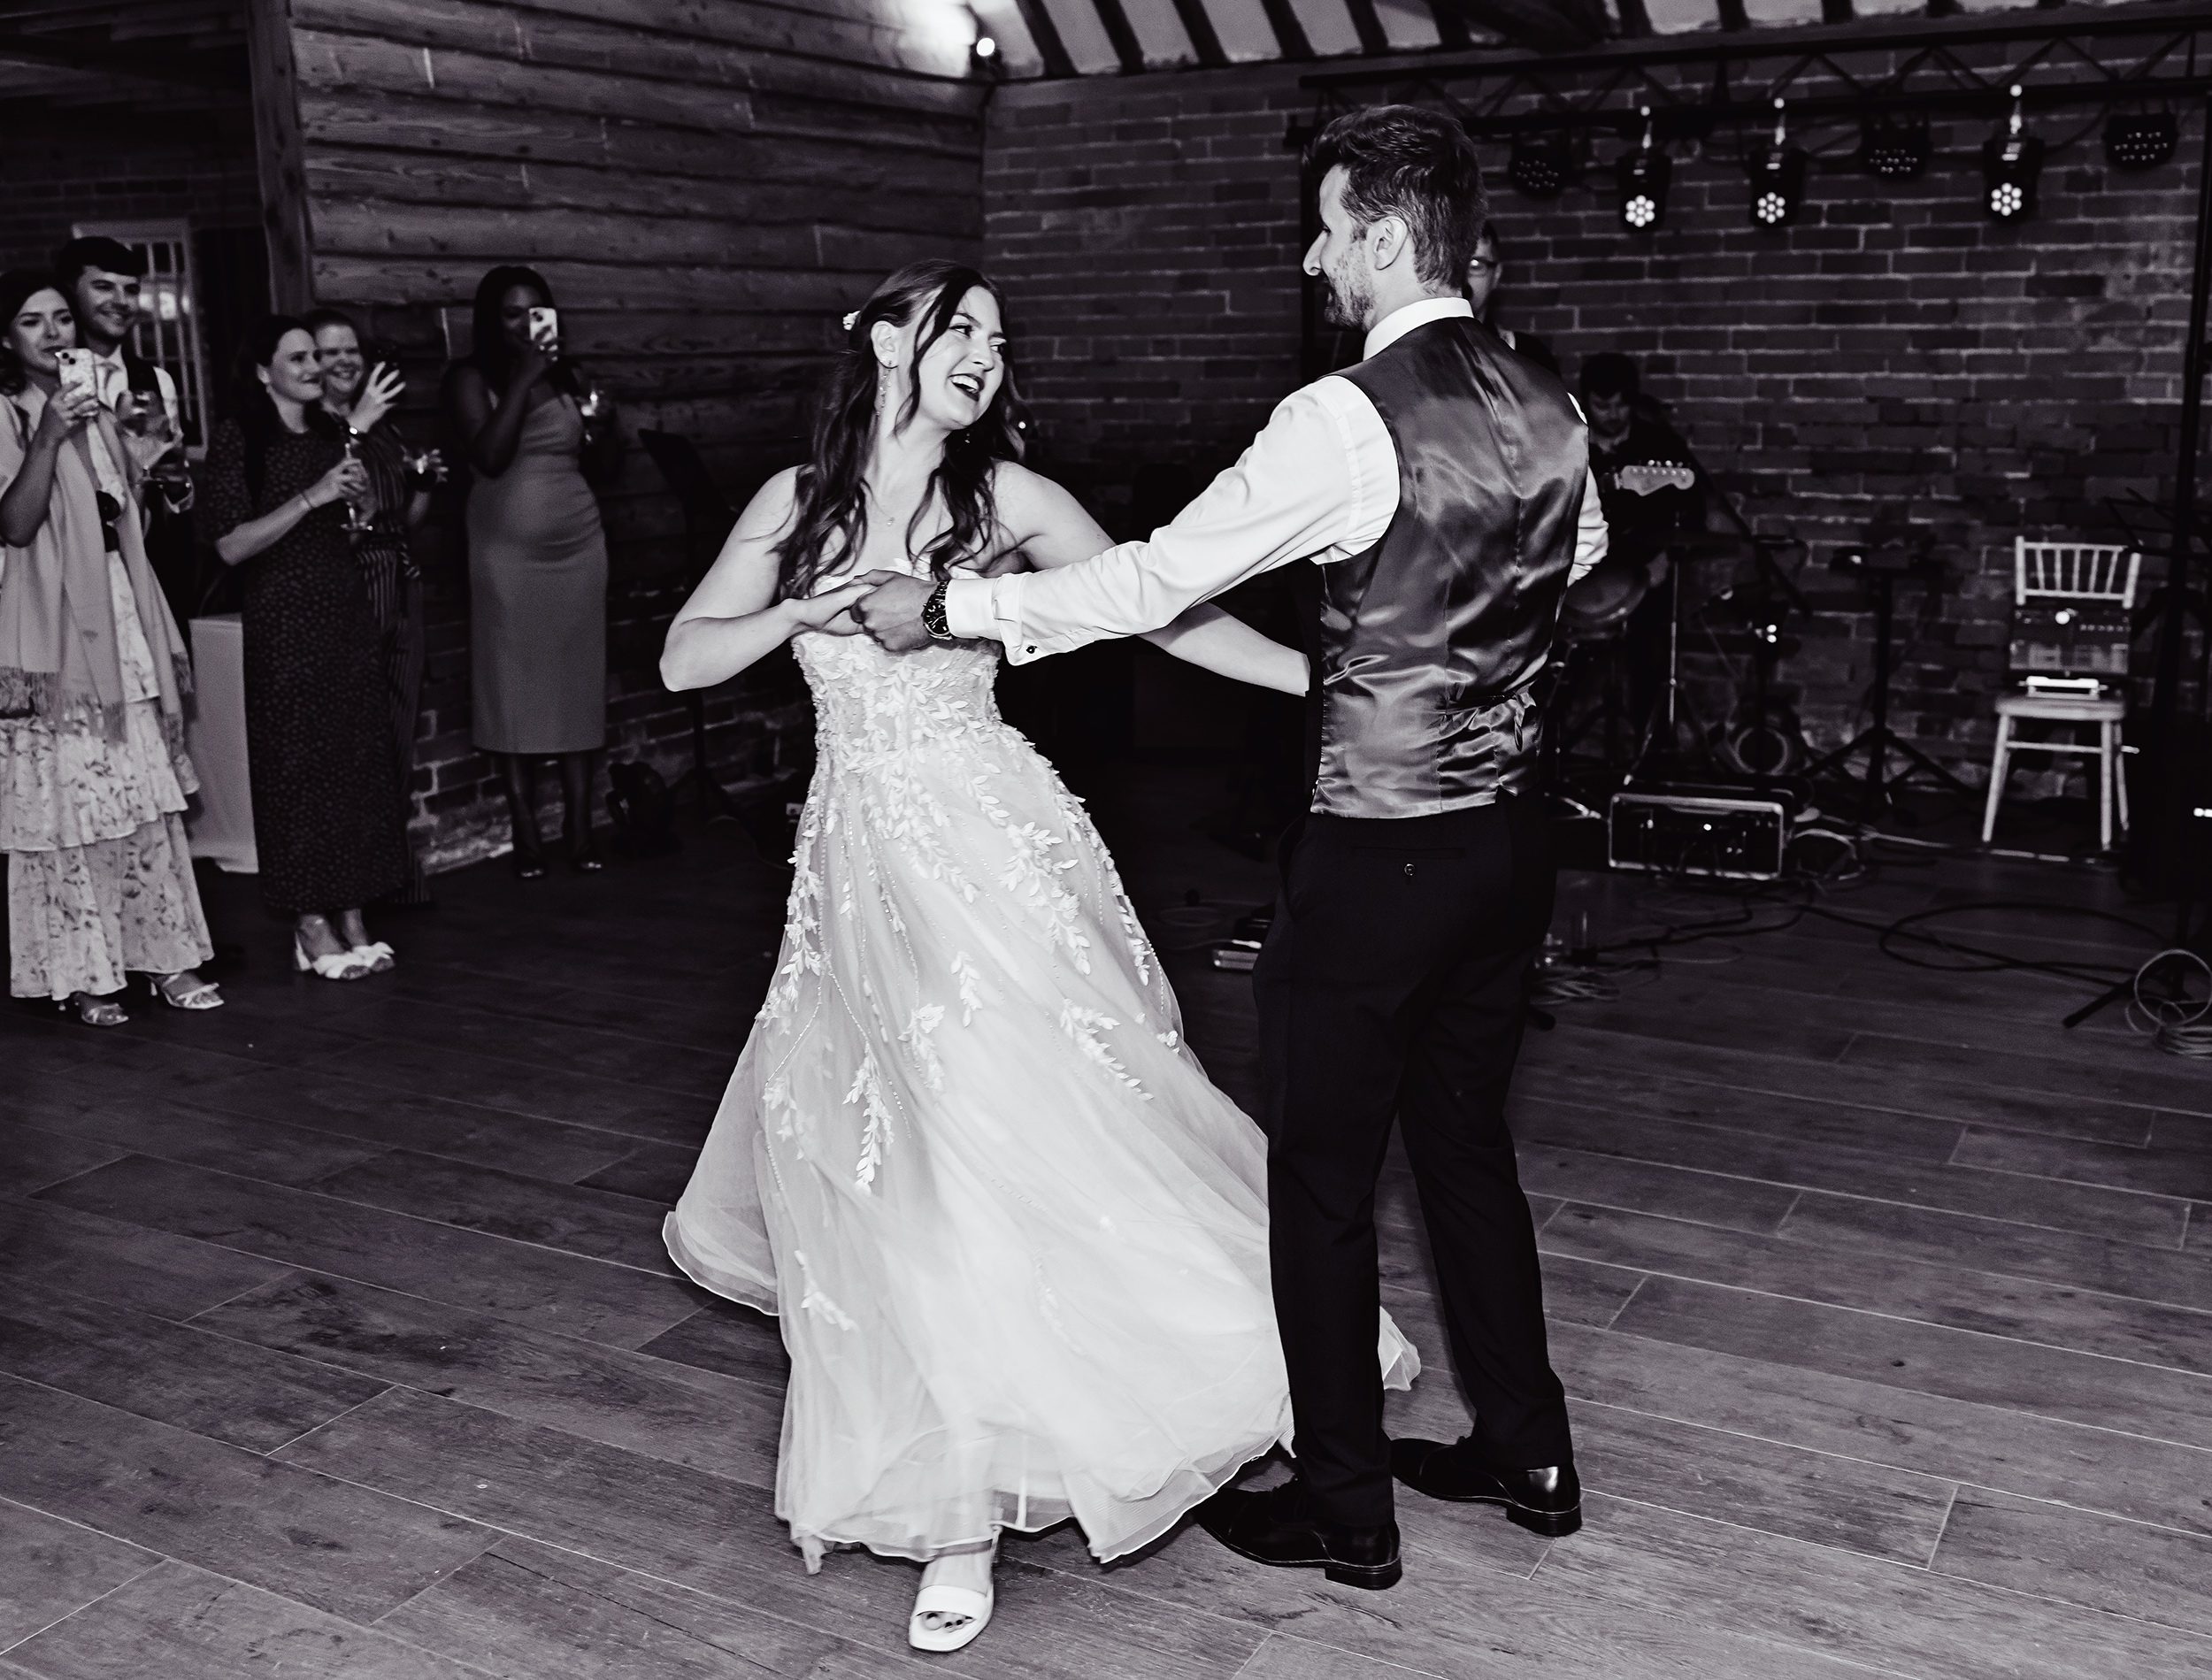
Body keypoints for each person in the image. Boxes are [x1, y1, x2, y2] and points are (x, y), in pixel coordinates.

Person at [858, 106, 1608, 1585]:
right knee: (1465, 1142)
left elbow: (1149, 581)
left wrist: (955, 606)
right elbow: (1575, 567)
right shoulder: (1554, 401)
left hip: (1381, 846)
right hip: (1513, 839)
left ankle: (1348, 1506)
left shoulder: (1343, 417)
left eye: (1327, 231)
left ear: (1382, 238)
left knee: (1322, 1178)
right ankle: (1530, 1450)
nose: (1314, 260)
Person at [659, 259, 1415, 1653]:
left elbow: (1158, 602)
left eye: (1001, 342)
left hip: (994, 844)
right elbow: (683, 659)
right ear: (884, 339)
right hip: (854, 864)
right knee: (895, 1155)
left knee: (997, 1124)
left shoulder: (1009, 500)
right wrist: (799, 610)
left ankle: (963, 1513)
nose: (985, 357)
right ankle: (959, 1447)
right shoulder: (794, 501)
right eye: (961, 329)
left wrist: (1327, 681)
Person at [0, 268, 219, 1024]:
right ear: (7, 339)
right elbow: (15, 525)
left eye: (62, 318)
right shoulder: (9, 411)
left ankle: (163, 955)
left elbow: (123, 520)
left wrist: (150, 461)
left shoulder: (97, 407)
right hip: (51, 626)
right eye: (33, 321)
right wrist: (50, 431)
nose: (54, 332)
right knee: (74, 799)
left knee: (140, 794)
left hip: (120, 610)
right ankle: (86, 970)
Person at [200, 318, 409, 979]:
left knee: (353, 761)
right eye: (298, 358)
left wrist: (355, 502)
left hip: (341, 608)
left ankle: (352, 910)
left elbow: (354, 525)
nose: (315, 366)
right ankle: (309, 919)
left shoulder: (327, 433)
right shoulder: (240, 438)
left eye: (316, 355)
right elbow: (230, 545)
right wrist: (312, 496)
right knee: (297, 767)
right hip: (283, 619)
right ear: (264, 372)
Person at [442, 265, 616, 878]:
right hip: (506, 555)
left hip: (579, 544)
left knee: (576, 683)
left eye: (535, 311)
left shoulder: (569, 374)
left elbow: (602, 464)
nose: (525, 323)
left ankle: (579, 829)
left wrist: (601, 426)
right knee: (512, 685)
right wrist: (523, 378)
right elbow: (489, 456)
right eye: (511, 313)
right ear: (492, 320)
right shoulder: (470, 378)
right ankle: (525, 831)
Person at [310, 307, 442, 906]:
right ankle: (359, 877)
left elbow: (406, 519)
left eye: (350, 351)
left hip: (400, 577)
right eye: (328, 352)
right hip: (352, 584)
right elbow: (333, 516)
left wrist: (424, 483)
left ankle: (391, 867)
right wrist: (356, 426)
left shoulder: (384, 427)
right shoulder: (313, 431)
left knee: (398, 731)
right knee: (359, 738)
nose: (344, 361)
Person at [52, 236, 196, 623]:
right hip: (67, 569)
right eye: (103, 287)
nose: (121, 301)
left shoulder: (156, 381)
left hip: (144, 564)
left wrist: (174, 477)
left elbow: (174, 496)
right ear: (69, 292)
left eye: (131, 290)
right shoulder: (47, 378)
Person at [1578, 351, 1706, 741]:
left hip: (1644, 574)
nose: (1613, 415)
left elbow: (1691, 514)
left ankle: (1651, 751)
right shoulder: (1567, 443)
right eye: (1602, 406)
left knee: (1650, 660)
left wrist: (1665, 558)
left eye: (1621, 405)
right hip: (1578, 572)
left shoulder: (1659, 445)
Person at [1462, 221, 1558, 376]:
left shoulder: (1530, 356)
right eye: (1455, 265)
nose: (1463, 277)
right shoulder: (1422, 353)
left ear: (1496, 274)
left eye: (1476, 264)